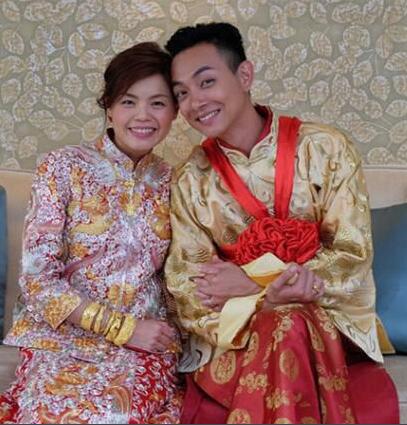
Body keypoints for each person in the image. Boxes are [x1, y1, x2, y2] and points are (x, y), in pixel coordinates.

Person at [164, 22, 399, 424]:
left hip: (328, 324)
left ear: (245, 75)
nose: (194, 102)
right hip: (241, 335)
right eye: (181, 93)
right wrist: (265, 302)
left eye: (206, 82)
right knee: (283, 321)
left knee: (289, 320)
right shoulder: (191, 179)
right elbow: (187, 286)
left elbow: (351, 253)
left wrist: (253, 283)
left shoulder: (325, 149)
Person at [0, 42, 183, 424]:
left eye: (158, 103)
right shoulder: (62, 167)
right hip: (60, 337)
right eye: (129, 101)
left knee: (113, 413)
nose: (143, 116)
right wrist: (120, 327)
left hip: (143, 346)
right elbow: (37, 280)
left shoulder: (174, 182)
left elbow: (180, 276)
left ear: (174, 112)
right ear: (109, 107)